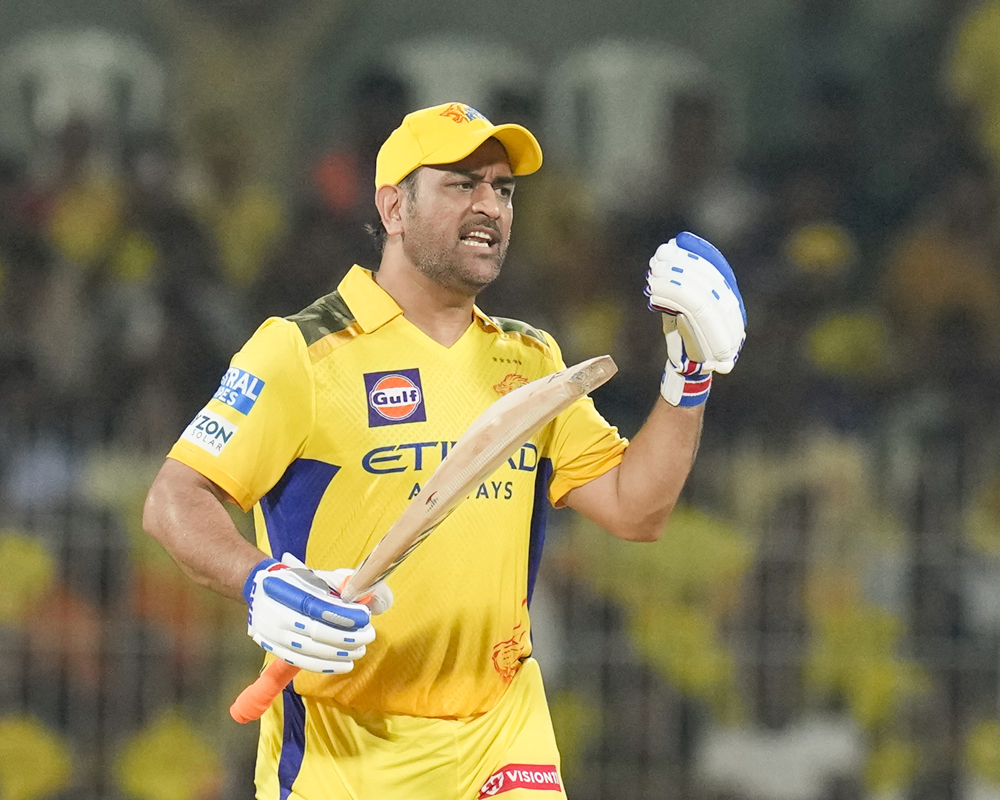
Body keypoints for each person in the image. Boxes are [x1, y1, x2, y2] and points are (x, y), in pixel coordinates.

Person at [142, 101, 745, 799]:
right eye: (462, 184)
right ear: (394, 208)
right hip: (346, 749)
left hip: (502, 733)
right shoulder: (302, 350)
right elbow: (172, 499)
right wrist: (260, 583)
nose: (490, 205)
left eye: (503, 189)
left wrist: (689, 376)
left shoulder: (530, 357)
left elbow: (635, 511)